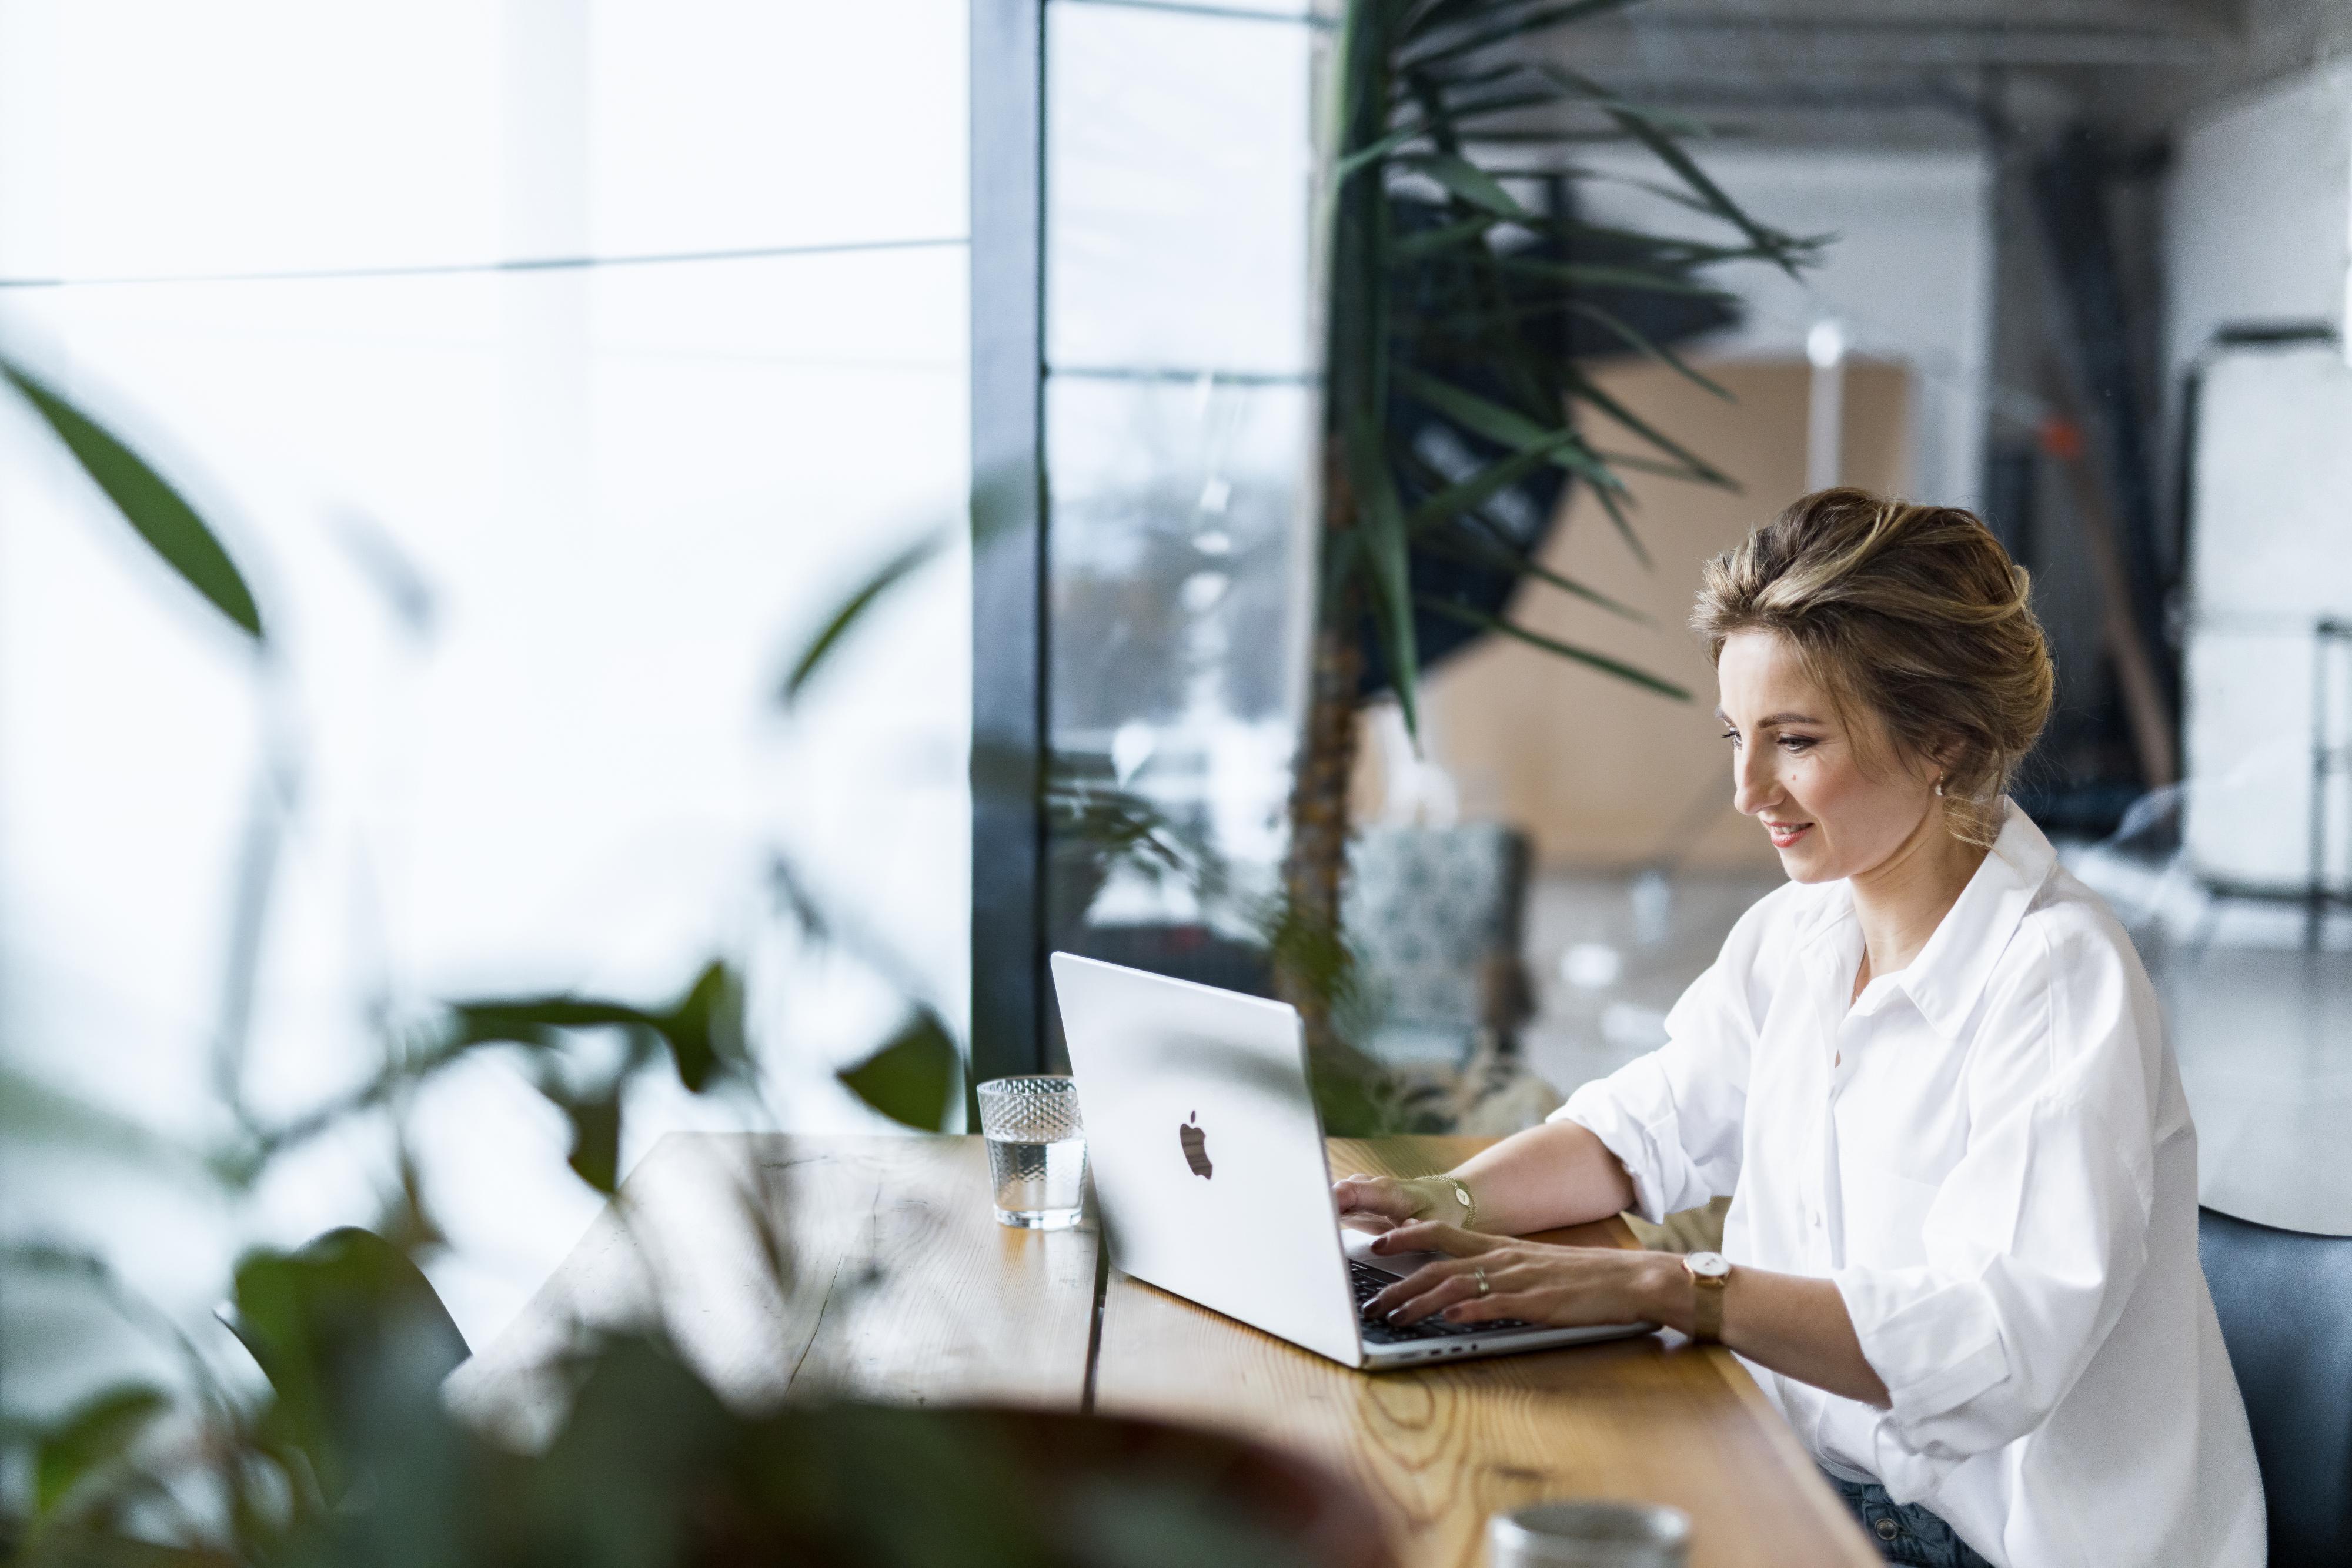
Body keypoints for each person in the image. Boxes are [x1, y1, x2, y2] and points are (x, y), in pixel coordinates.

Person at [1334, 490, 2264, 1568]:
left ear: (1944, 745)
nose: (1744, 789)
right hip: (1815, 1481)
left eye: (1795, 741)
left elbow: (1999, 1347)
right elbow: (1647, 1126)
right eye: (1737, 735)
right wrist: (1431, 1204)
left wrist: (1673, 1287)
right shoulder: (1800, 932)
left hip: (1996, 1548)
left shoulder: (2057, 979)